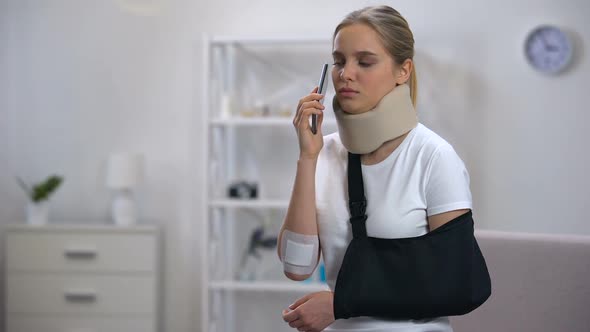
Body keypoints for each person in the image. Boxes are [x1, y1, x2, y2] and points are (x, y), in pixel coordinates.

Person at [277, 5, 472, 332]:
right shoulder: (322, 153)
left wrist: (341, 304)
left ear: (403, 70)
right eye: (339, 61)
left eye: (364, 62)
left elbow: (458, 283)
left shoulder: (433, 156)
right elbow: (297, 267)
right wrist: (307, 157)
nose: (345, 74)